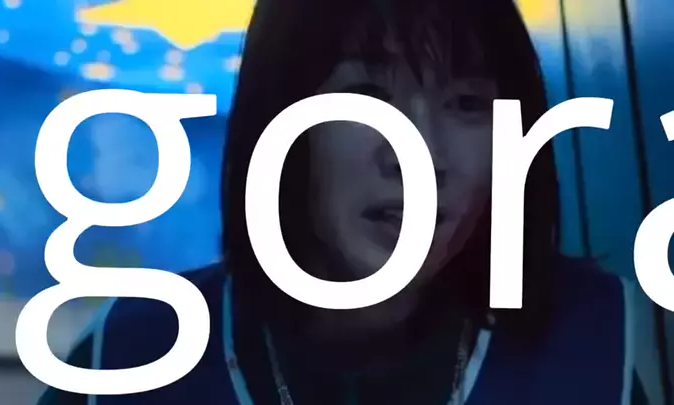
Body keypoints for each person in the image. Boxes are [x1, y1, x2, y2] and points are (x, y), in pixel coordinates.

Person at [38, 0, 665, 404]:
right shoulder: (131, 360)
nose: (418, 152)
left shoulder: (589, 351)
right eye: (366, 96)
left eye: (467, 104)